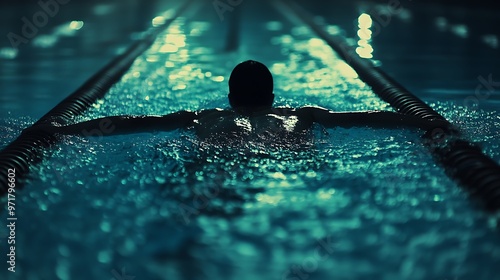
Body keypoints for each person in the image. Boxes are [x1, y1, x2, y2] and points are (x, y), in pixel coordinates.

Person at [24, 60, 449, 143]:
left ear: (230, 97)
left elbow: (130, 123)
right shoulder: (302, 114)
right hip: (284, 153)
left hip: (220, 148)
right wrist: (425, 122)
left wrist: (61, 129)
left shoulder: (202, 116)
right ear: (272, 97)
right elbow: (373, 118)